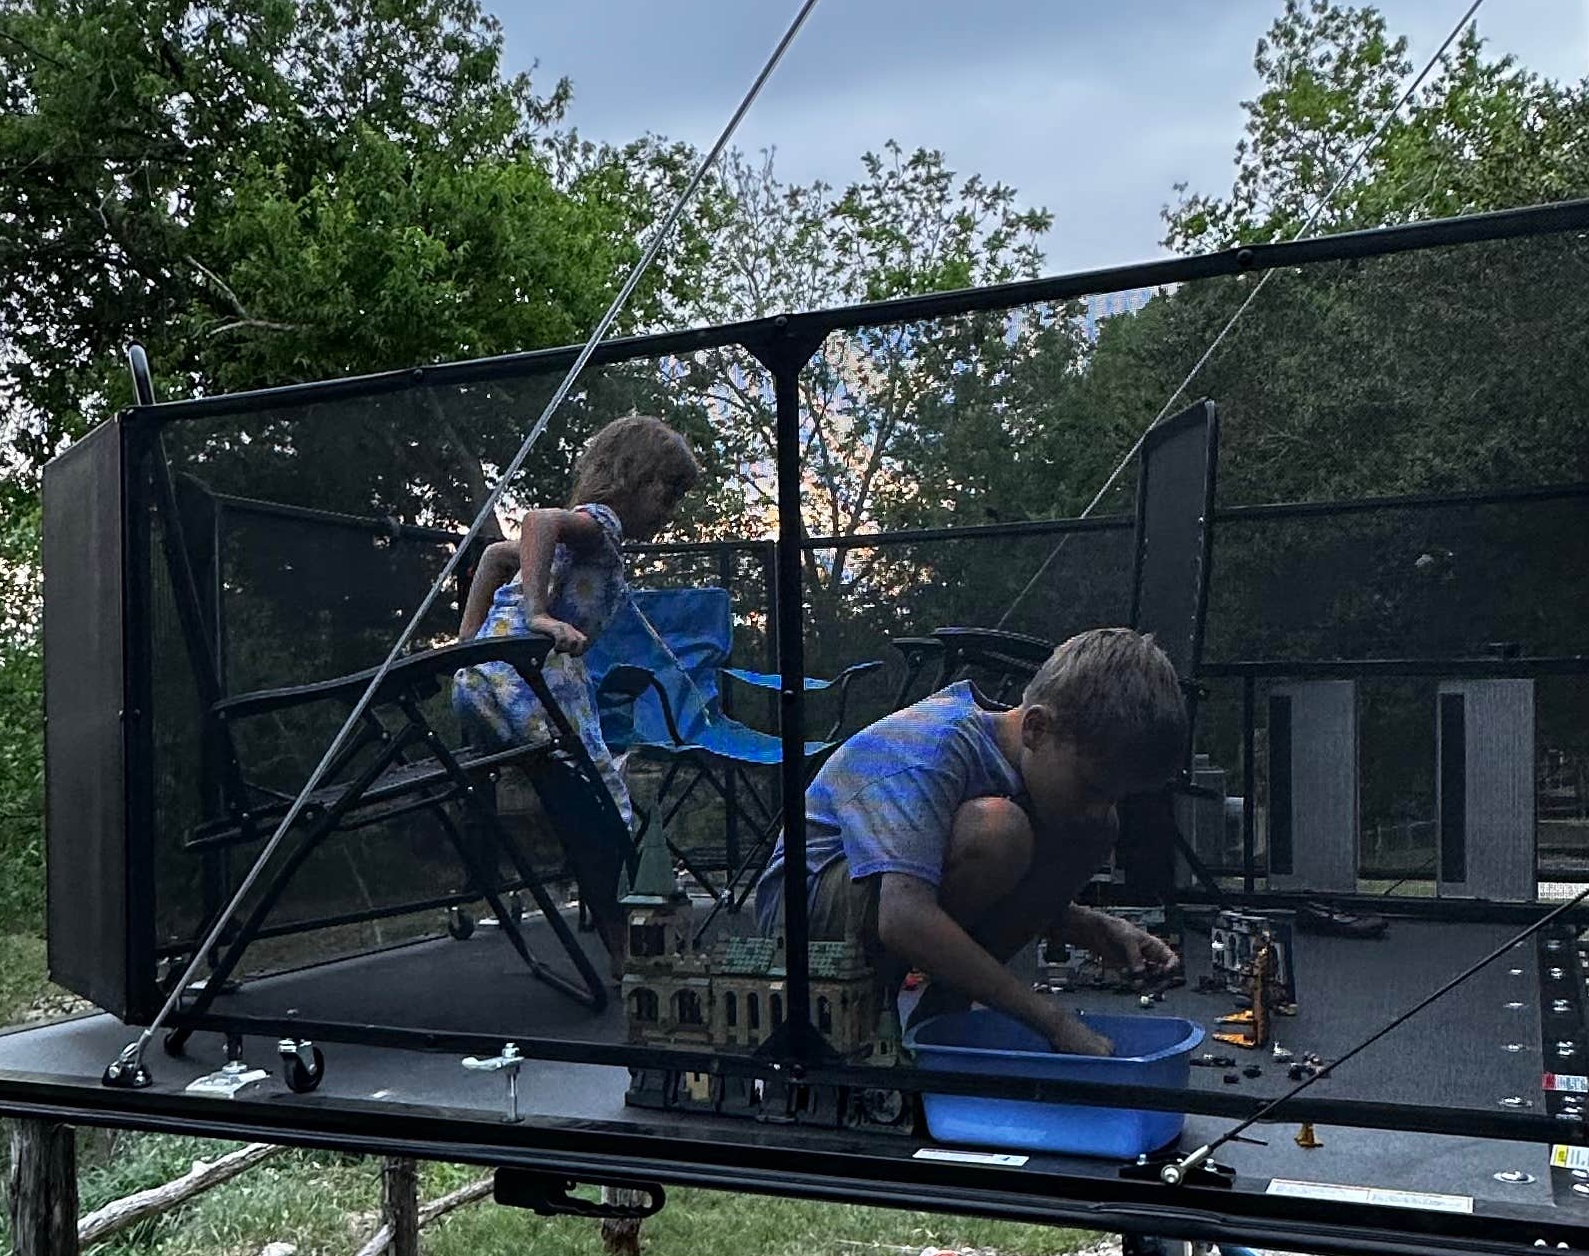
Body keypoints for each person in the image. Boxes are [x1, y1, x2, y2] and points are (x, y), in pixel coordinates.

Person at [757, 625, 1187, 1056]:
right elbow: (903, 916)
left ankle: (941, 1019)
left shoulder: (1038, 768)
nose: (1099, 805)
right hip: (803, 916)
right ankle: (896, 1010)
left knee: (1094, 828)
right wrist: (1053, 1023)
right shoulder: (932, 746)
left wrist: (1091, 927)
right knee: (999, 831)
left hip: (886, 894)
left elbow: (963, 878)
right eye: (1092, 788)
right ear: (1036, 728)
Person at [452, 412, 701, 913]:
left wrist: (468, 644)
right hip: (529, 683)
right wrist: (538, 614)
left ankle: (617, 928)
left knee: (576, 795)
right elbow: (537, 520)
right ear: (632, 479)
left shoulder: (590, 537)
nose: (669, 511)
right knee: (604, 803)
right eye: (667, 493)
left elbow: (497, 558)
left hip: (486, 680)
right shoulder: (601, 524)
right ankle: (625, 936)